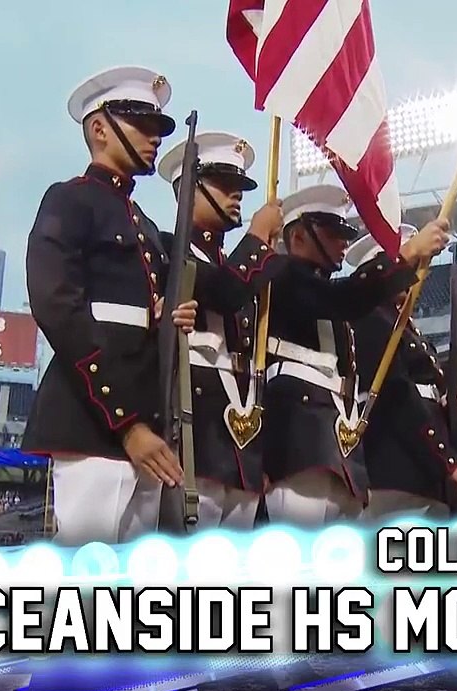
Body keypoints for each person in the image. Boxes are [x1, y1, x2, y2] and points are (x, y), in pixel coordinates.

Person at [23, 66, 198, 546]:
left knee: (130, 586)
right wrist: (126, 423)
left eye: (159, 128)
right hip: (95, 420)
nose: (155, 138)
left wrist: (165, 318)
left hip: (144, 420)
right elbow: (57, 306)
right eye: (143, 125)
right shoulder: (69, 200)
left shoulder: (140, 219)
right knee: (83, 579)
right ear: (100, 128)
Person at [260, 185, 449, 526]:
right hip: (297, 447)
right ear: (299, 236)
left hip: (342, 453)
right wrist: (404, 255)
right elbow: (342, 298)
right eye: (333, 233)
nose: (343, 243)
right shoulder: (283, 277)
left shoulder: (331, 296)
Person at [155, 131, 287, 529]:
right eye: (225, 186)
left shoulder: (240, 267)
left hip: (241, 450)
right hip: (195, 440)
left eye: (240, 187)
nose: (237, 196)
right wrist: (258, 238)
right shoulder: (167, 250)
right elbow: (223, 290)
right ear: (188, 192)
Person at [349, 225, 457, 521]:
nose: (415, 276)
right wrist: (447, 461)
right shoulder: (372, 319)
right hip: (399, 472)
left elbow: (428, 395)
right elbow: (400, 399)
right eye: (409, 266)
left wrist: (452, 405)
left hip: (425, 474)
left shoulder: (407, 328)